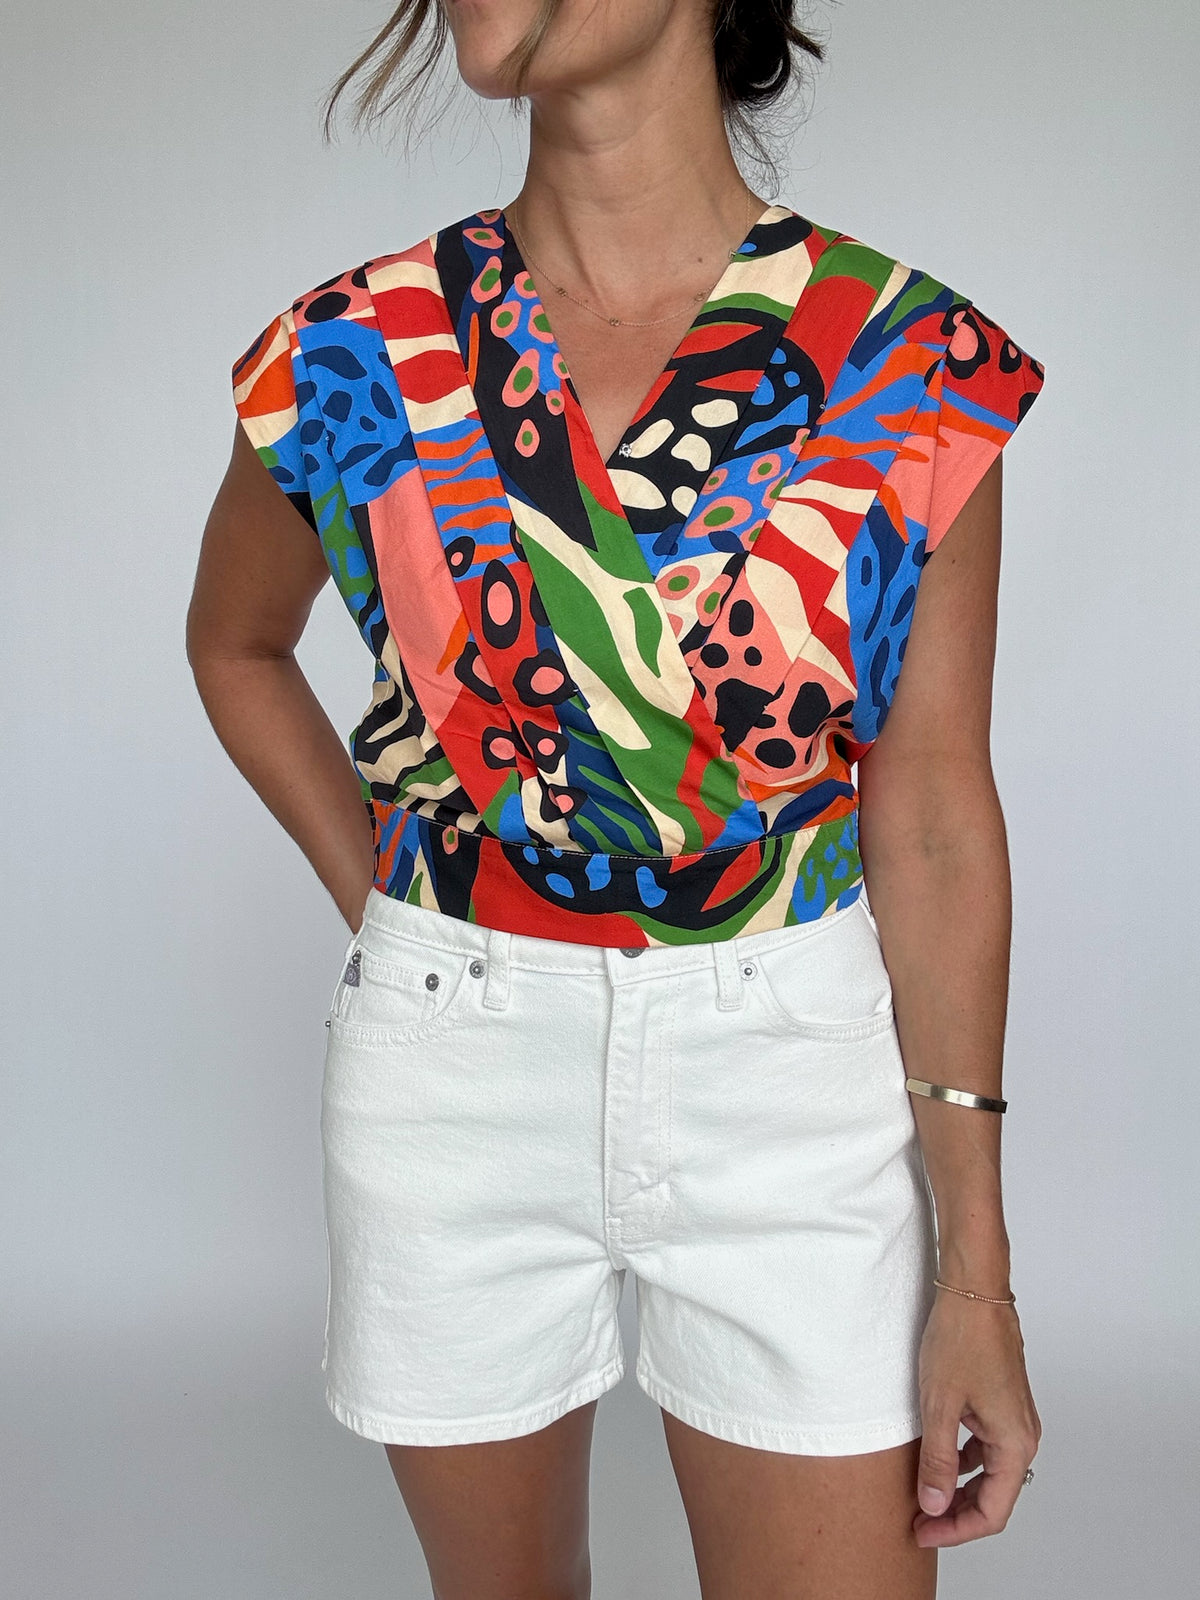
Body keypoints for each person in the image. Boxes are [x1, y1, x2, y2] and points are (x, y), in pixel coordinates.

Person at [187, 3, 1046, 1595]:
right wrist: (400, 903)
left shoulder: (904, 360)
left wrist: (976, 1274)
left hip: (791, 1079)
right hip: (454, 1072)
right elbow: (234, 644)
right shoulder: (357, 350)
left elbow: (931, 809)